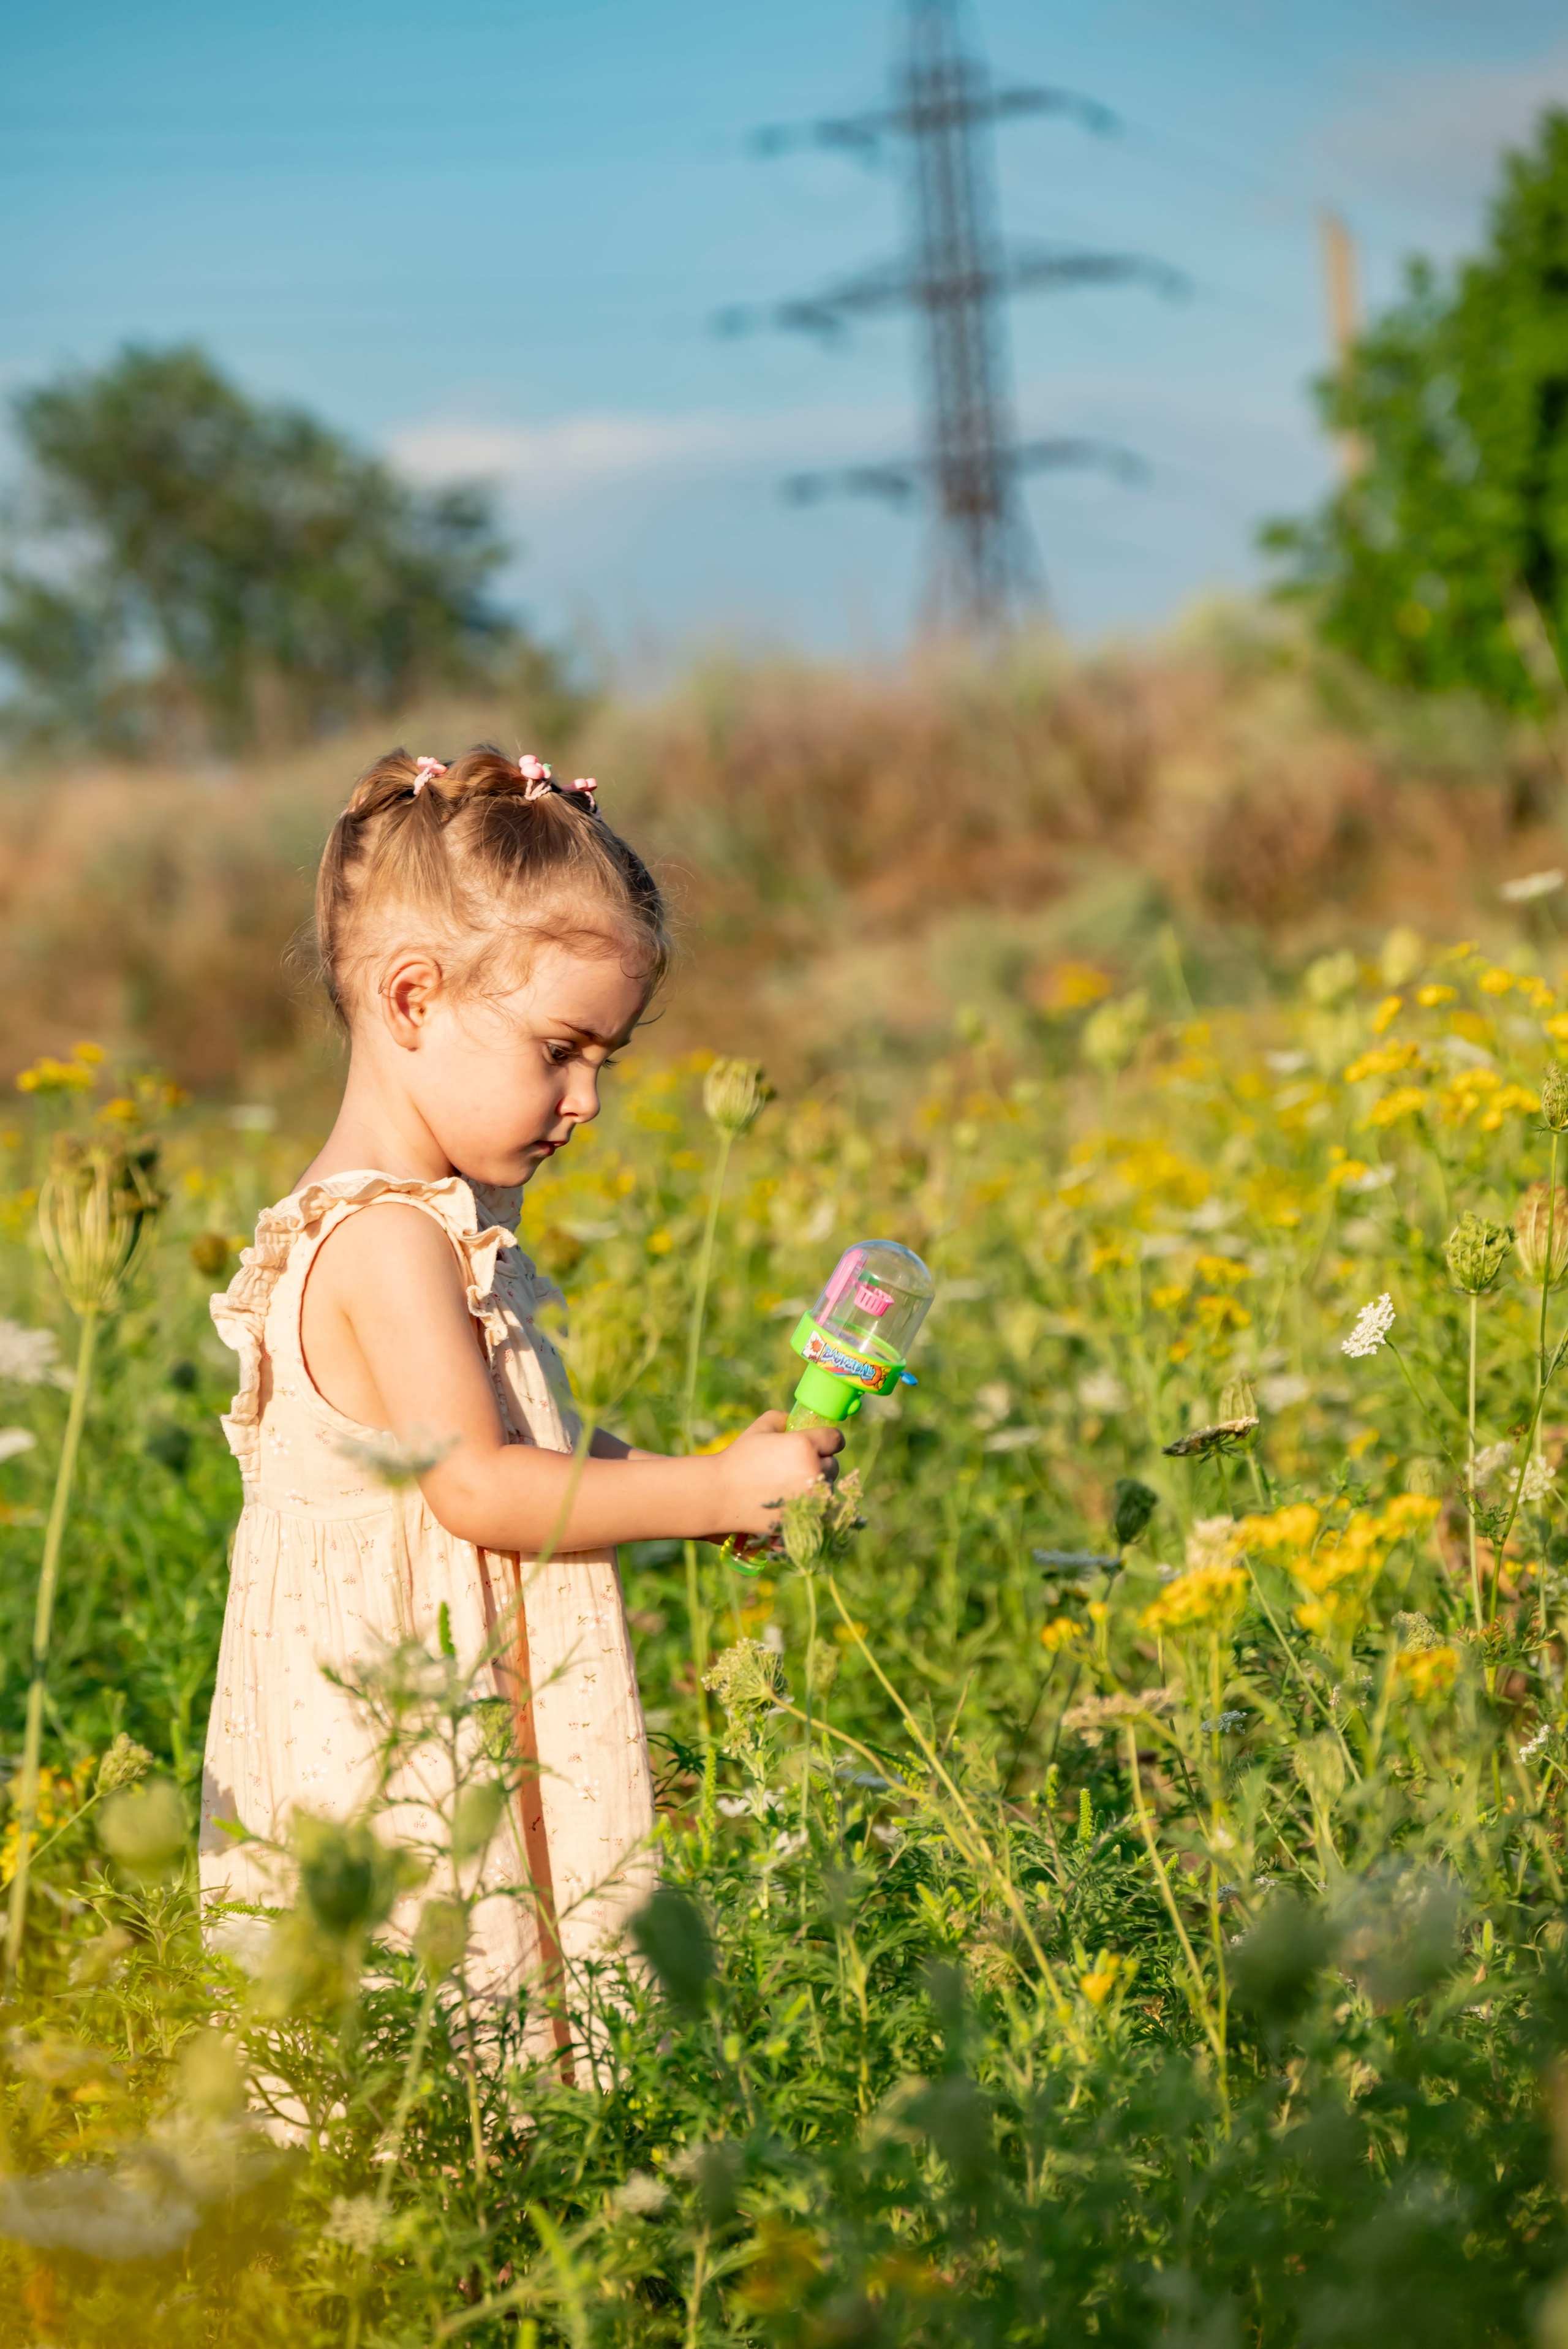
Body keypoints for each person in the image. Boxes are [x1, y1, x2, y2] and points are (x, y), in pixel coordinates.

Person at [198, 745, 840, 2051]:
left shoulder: (439, 1227)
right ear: (414, 998)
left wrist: (682, 1473)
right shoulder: (388, 1241)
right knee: (430, 2056)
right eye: (561, 1050)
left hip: (432, 1710)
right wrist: (707, 1489)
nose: (586, 1100)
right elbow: (481, 1488)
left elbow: (517, 1440)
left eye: (603, 1058)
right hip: (402, 1750)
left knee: (445, 2064)